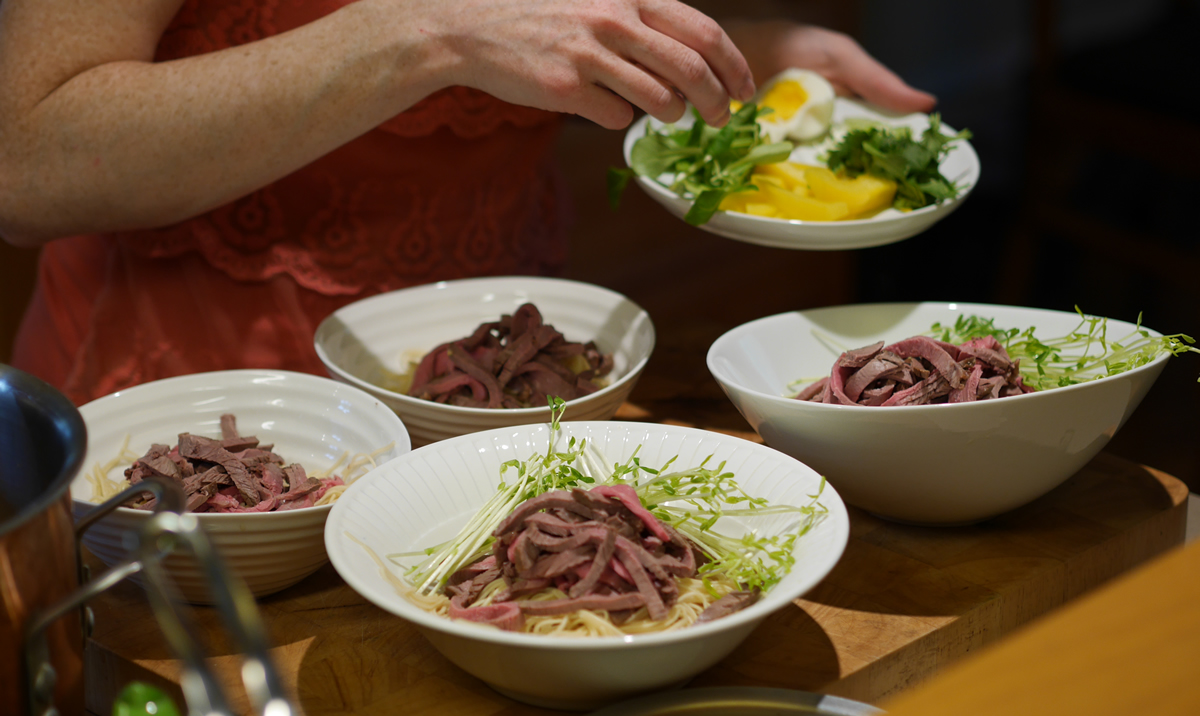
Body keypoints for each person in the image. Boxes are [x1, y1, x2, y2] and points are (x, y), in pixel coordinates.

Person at [0, 0, 935, 405]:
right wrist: (424, 32)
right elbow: (26, 163)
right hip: (196, 428)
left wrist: (742, 61)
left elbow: (530, 53)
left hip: (504, 378)